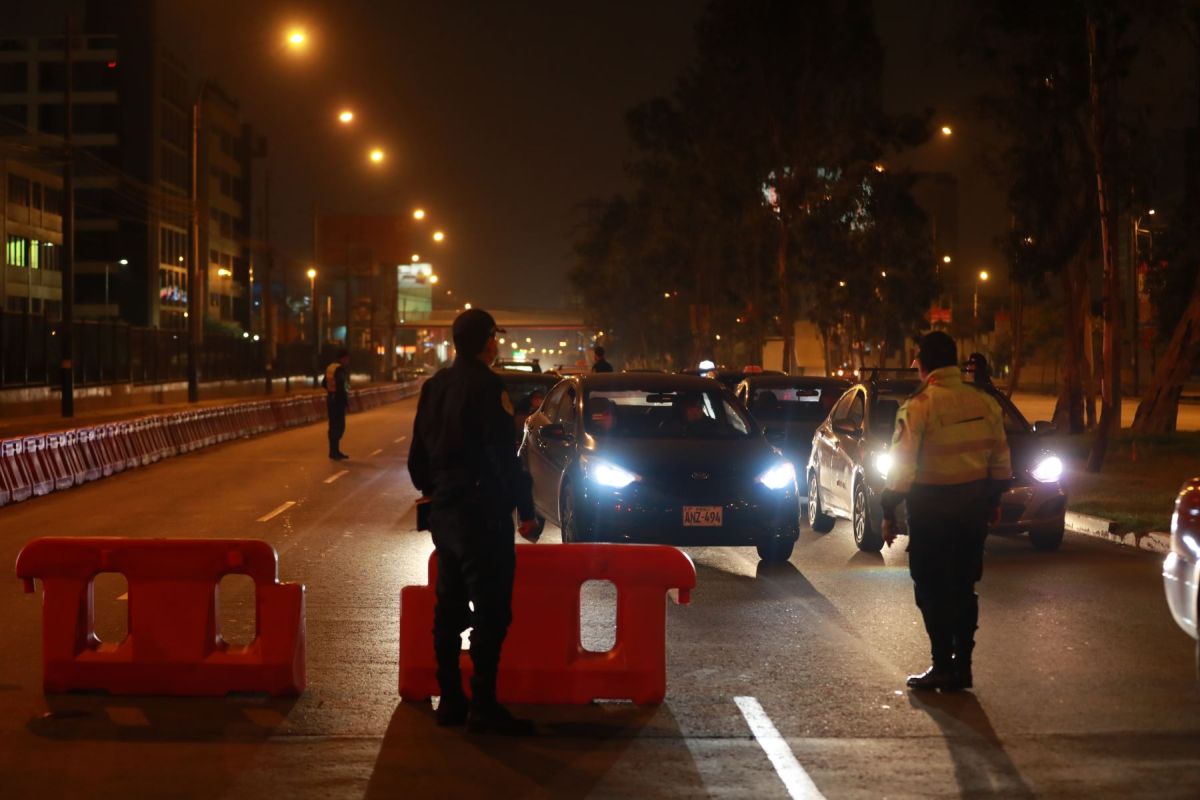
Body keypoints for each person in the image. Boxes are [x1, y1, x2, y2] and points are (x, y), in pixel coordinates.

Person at [408, 308, 540, 735]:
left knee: (448, 607)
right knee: (491, 610)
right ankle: (483, 704)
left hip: (445, 513)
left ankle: (450, 699)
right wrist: (525, 508)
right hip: (483, 514)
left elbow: (416, 462)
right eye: (494, 339)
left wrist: (440, 488)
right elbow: (504, 456)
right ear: (487, 342)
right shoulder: (487, 386)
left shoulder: (435, 387)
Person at [880, 331, 1012, 692]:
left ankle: (942, 664)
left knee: (932, 587)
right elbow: (1000, 458)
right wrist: (994, 501)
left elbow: (902, 467)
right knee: (964, 585)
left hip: (932, 510)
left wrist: (888, 508)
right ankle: (963, 665)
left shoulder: (920, 405)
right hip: (973, 509)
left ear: (923, 362)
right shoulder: (984, 402)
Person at [322, 349, 350, 460]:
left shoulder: (330, 368)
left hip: (330, 399)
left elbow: (324, 383)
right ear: (342, 358)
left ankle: (333, 451)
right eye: (347, 358)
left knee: (333, 426)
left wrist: (330, 391)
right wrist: (345, 401)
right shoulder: (340, 370)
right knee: (339, 426)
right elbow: (341, 386)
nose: (348, 360)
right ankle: (335, 451)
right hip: (338, 401)